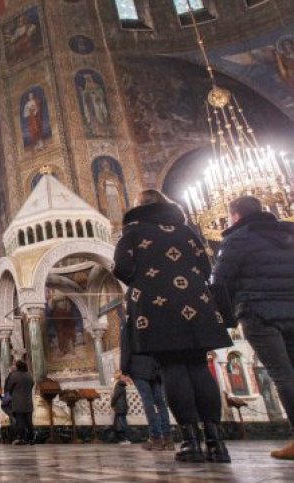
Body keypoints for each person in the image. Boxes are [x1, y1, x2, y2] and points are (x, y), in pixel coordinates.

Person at [114, 189, 232, 463]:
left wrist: (145, 279)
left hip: (157, 307)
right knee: (199, 367)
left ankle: (191, 442)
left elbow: (121, 267)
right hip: (197, 301)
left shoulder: (134, 231)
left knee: (173, 368)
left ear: (138, 207)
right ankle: (217, 444)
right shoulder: (186, 230)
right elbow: (206, 265)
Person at [212, 195, 294, 460]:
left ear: (235, 215)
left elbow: (220, 281)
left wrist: (227, 320)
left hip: (260, 312)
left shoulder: (238, 239)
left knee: (283, 375)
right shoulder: (289, 235)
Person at [121, 319, 173, 451]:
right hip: (156, 365)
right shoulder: (154, 318)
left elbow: (126, 347)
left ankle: (155, 438)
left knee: (148, 402)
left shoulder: (130, 324)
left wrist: (124, 368)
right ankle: (167, 438)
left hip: (138, 366)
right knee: (161, 403)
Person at [5, 360, 34, 445]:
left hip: (18, 402)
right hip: (28, 401)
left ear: (17, 367)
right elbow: (32, 385)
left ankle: (21, 438)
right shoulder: (29, 375)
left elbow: (8, 388)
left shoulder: (14, 375)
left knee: (20, 421)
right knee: (29, 421)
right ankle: (31, 438)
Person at [111, 374, 130, 444]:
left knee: (122, 423)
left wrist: (112, 404)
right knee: (123, 422)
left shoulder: (118, 385)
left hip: (120, 407)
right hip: (123, 407)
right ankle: (125, 439)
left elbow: (115, 396)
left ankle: (126, 439)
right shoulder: (122, 385)